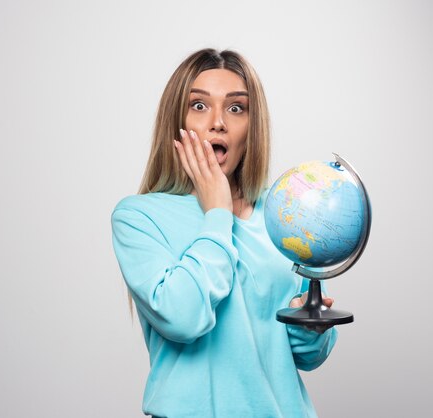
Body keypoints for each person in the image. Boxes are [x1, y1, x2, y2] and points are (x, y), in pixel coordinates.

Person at [111, 48, 338, 418]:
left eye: (236, 108)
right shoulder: (137, 217)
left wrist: (308, 326)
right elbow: (182, 318)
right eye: (199, 106)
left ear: (252, 127)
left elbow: (308, 356)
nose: (218, 122)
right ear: (177, 122)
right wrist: (217, 212)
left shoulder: (283, 214)